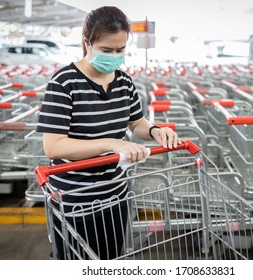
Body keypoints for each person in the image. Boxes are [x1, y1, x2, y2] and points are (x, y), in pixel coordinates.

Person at [36, 6, 181, 260]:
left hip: (115, 191)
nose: (114, 56)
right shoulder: (63, 83)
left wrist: (156, 130)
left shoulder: (124, 82)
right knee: (77, 258)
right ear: (87, 43)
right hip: (76, 198)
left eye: (120, 50)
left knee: (110, 257)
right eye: (106, 50)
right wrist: (111, 144)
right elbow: (54, 147)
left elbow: (136, 123)